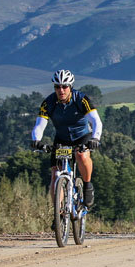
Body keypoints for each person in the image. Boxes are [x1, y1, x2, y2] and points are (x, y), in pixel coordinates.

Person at [30, 69, 102, 207]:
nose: (61, 90)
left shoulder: (81, 99)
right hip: (62, 138)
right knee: (55, 174)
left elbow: (96, 121)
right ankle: (59, 211)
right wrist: (36, 141)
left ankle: (87, 185)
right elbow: (39, 125)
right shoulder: (48, 103)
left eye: (64, 86)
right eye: (57, 87)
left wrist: (95, 138)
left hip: (82, 135)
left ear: (70, 87)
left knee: (81, 155)